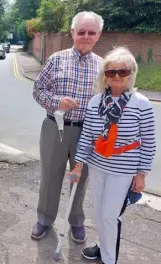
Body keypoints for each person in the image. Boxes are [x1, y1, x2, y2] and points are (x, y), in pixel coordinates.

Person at [69, 46, 156, 264]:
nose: (117, 76)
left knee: (110, 216)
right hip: (98, 165)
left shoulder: (141, 103)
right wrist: (78, 165)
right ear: (105, 76)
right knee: (99, 212)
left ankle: (109, 259)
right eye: (111, 72)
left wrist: (141, 173)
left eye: (122, 72)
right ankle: (102, 246)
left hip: (123, 170)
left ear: (131, 74)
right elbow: (88, 135)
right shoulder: (95, 101)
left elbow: (149, 142)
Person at [31, 11, 104, 242]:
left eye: (91, 32)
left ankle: (76, 221)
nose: (85, 36)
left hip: (87, 132)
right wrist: (57, 102)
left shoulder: (103, 67)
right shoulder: (56, 59)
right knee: (50, 176)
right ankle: (44, 219)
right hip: (56, 127)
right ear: (72, 32)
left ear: (98, 36)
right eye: (81, 31)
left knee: (80, 179)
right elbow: (37, 90)